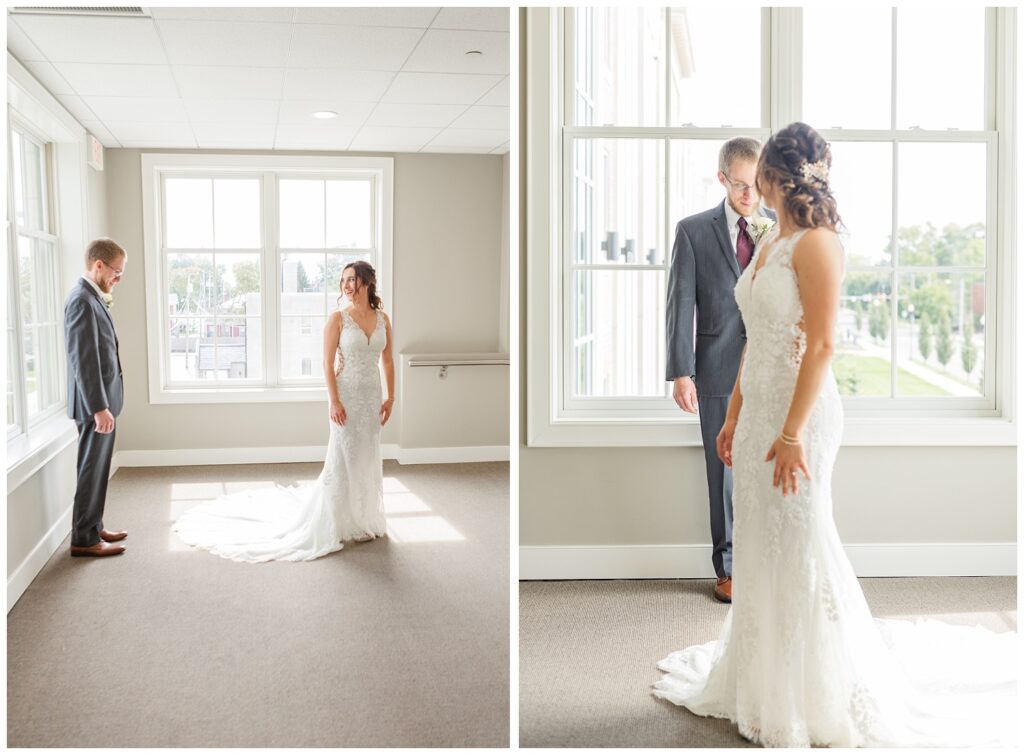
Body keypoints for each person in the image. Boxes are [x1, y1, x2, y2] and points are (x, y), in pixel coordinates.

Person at [653, 123, 1015, 747]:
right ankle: (760, 681)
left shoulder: (817, 245)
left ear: (776, 174)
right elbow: (754, 342)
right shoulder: (770, 241)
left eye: (760, 171)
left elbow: (821, 344)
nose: (754, 182)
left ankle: (812, 690)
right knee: (760, 543)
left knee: (799, 541)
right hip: (759, 408)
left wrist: (791, 433)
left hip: (804, 417)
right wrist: (736, 415)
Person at [172, 261, 394, 562]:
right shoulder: (338, 319)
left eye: (351, 279)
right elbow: (327, 364)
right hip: (347, 396)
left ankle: (364, 518)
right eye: (342, 280)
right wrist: (334, 401)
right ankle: (339, 520)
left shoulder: (383, 319)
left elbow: (388, 361)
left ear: (366, 281)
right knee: (343, 458)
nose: (345, 285)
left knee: (368, 453)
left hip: (371, 397)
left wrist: (391, 397)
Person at [666, 137, 775, 603]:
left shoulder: (775, 231)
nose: (749, 195)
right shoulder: (693, 231)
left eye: (756, 185)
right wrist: (682, 372)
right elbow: (680, 305)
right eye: (740, 185)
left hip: (769, 368)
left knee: (768, 468)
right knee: (723, 472)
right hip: (715, 368)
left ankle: (766, 563)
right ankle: (727, 568)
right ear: (722, 179)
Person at [64, 238, 129, 557]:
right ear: (98, 265)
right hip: (95, 405)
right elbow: (83, 359)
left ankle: (94, 524)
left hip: (104, 401)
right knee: (91, 467)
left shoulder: (94, 297)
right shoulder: (81, 300)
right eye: (116, 271)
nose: (118, 278)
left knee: (99, 466)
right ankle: (84, 539)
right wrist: (99, 407)